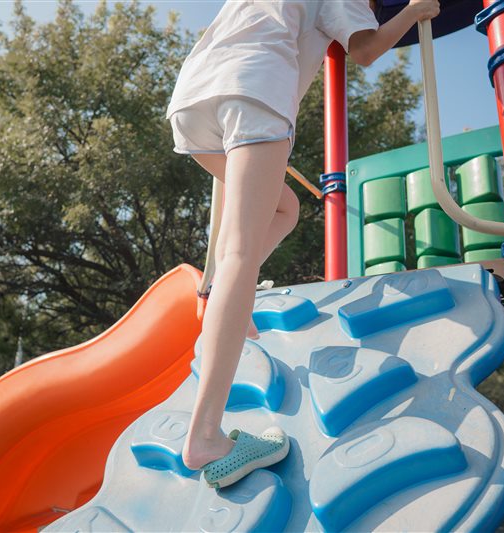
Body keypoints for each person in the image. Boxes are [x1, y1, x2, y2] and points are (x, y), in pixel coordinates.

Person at [166, 0, 440, 489]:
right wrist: (412, 11)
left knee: (282, 209)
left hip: (192, 99)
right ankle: (205, 436)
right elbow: (366, 49)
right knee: (240, 255)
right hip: (254, 88)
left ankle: (228, 300)